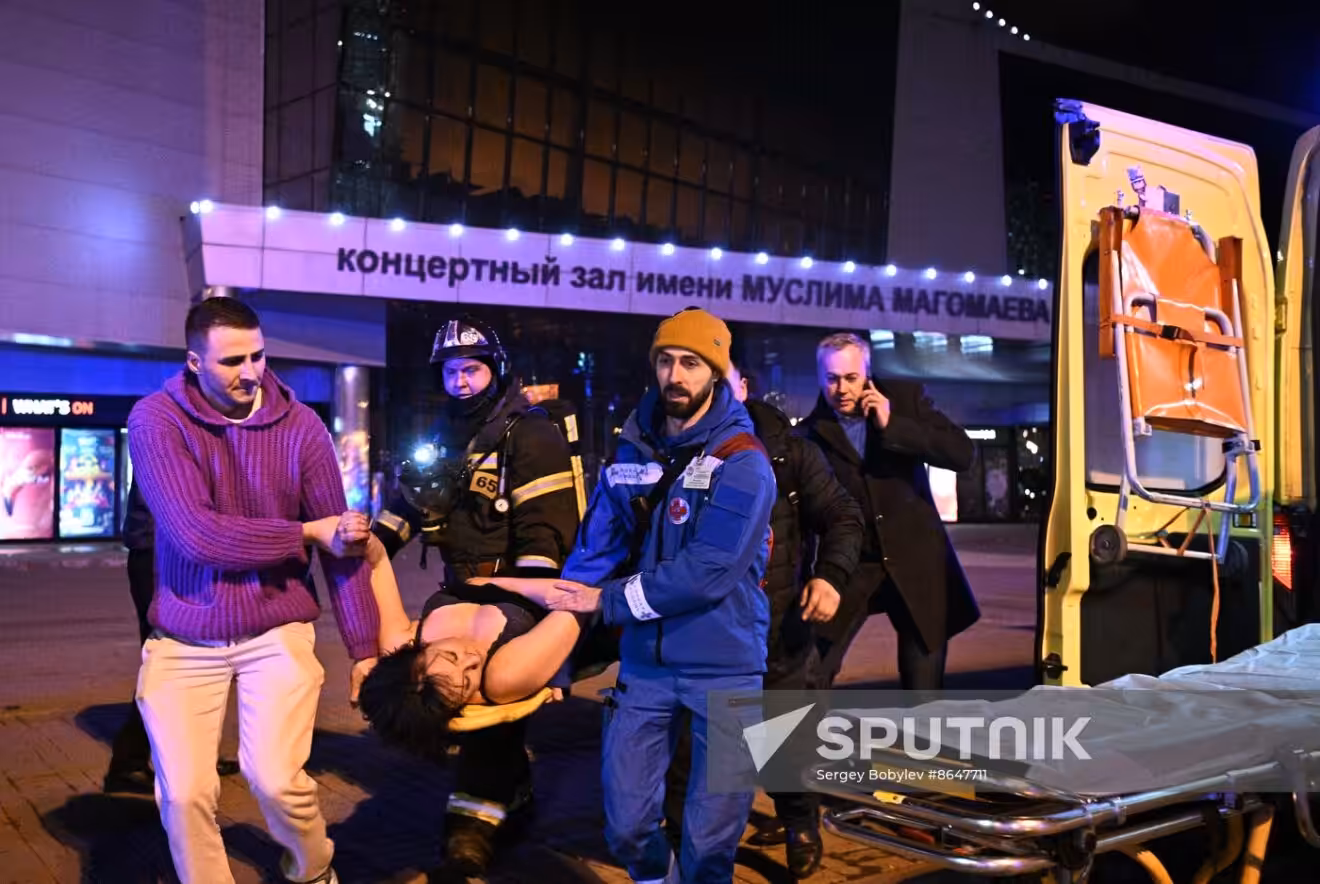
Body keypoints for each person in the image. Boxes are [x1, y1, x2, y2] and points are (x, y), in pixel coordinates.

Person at [127, 296, 380, 884]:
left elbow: (339, 543)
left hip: (277, 628)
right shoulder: (155, 419)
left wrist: (364, 648)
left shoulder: (302, 426)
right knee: (184, 795)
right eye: (232, 361)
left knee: (276, 779)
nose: (251, 372)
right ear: (195, 362)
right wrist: (302, 532)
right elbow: (194, 535)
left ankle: (314, 872)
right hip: (185, 634)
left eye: (259, 355)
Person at [545, 307, 778, 884]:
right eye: (666, 360)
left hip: (725, 668)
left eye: (692, 364)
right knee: (625, 827)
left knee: (711, 844)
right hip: (647, 668)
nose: (676, 375)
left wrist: (608, 603)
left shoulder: (744, 463)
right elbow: (593, 555)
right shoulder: (633, 447)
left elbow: (708, 573)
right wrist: (558, 653)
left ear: (716, 373)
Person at [368, 314, 583, 879]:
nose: (461, 382)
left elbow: (546, 534)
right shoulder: (443, 435)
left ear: (496, 370)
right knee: (456, 693)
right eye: (452, 372)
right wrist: (365, 545)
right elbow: (410, 508)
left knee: (487, 700)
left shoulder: (529, 435)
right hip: (461, 588)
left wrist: (538, 623)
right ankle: (506, 805)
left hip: (515, 588)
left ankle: (471, 827)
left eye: (472, 369)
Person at [661, 360, 864, 879]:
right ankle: (682, 848)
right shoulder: (664, 446)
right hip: (692, 634)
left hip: (772, 628)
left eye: (720, 379)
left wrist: (830, 577)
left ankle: (799, 823)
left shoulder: (786, 448)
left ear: (743, 387)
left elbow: (842, 515)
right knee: (685, 753)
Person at [800, 332, 980, 693]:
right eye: (832, 379)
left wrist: (893, 424)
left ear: (866, 372)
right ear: (820, 378)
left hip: (917, 563)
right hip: (853, 566)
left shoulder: (905, 400)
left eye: (851, 378)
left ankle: (921, 750)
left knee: (923, 689)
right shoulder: (809, 436)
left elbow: (962, 454)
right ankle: (798, 748)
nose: (842, 388)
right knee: (811, 672)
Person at [102, 478, 238, 795]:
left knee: (196, 659)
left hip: (166, 551)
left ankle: (198, 757)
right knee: (169, 659)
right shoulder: (166, 430)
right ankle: (128, 763)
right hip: (159, 553)